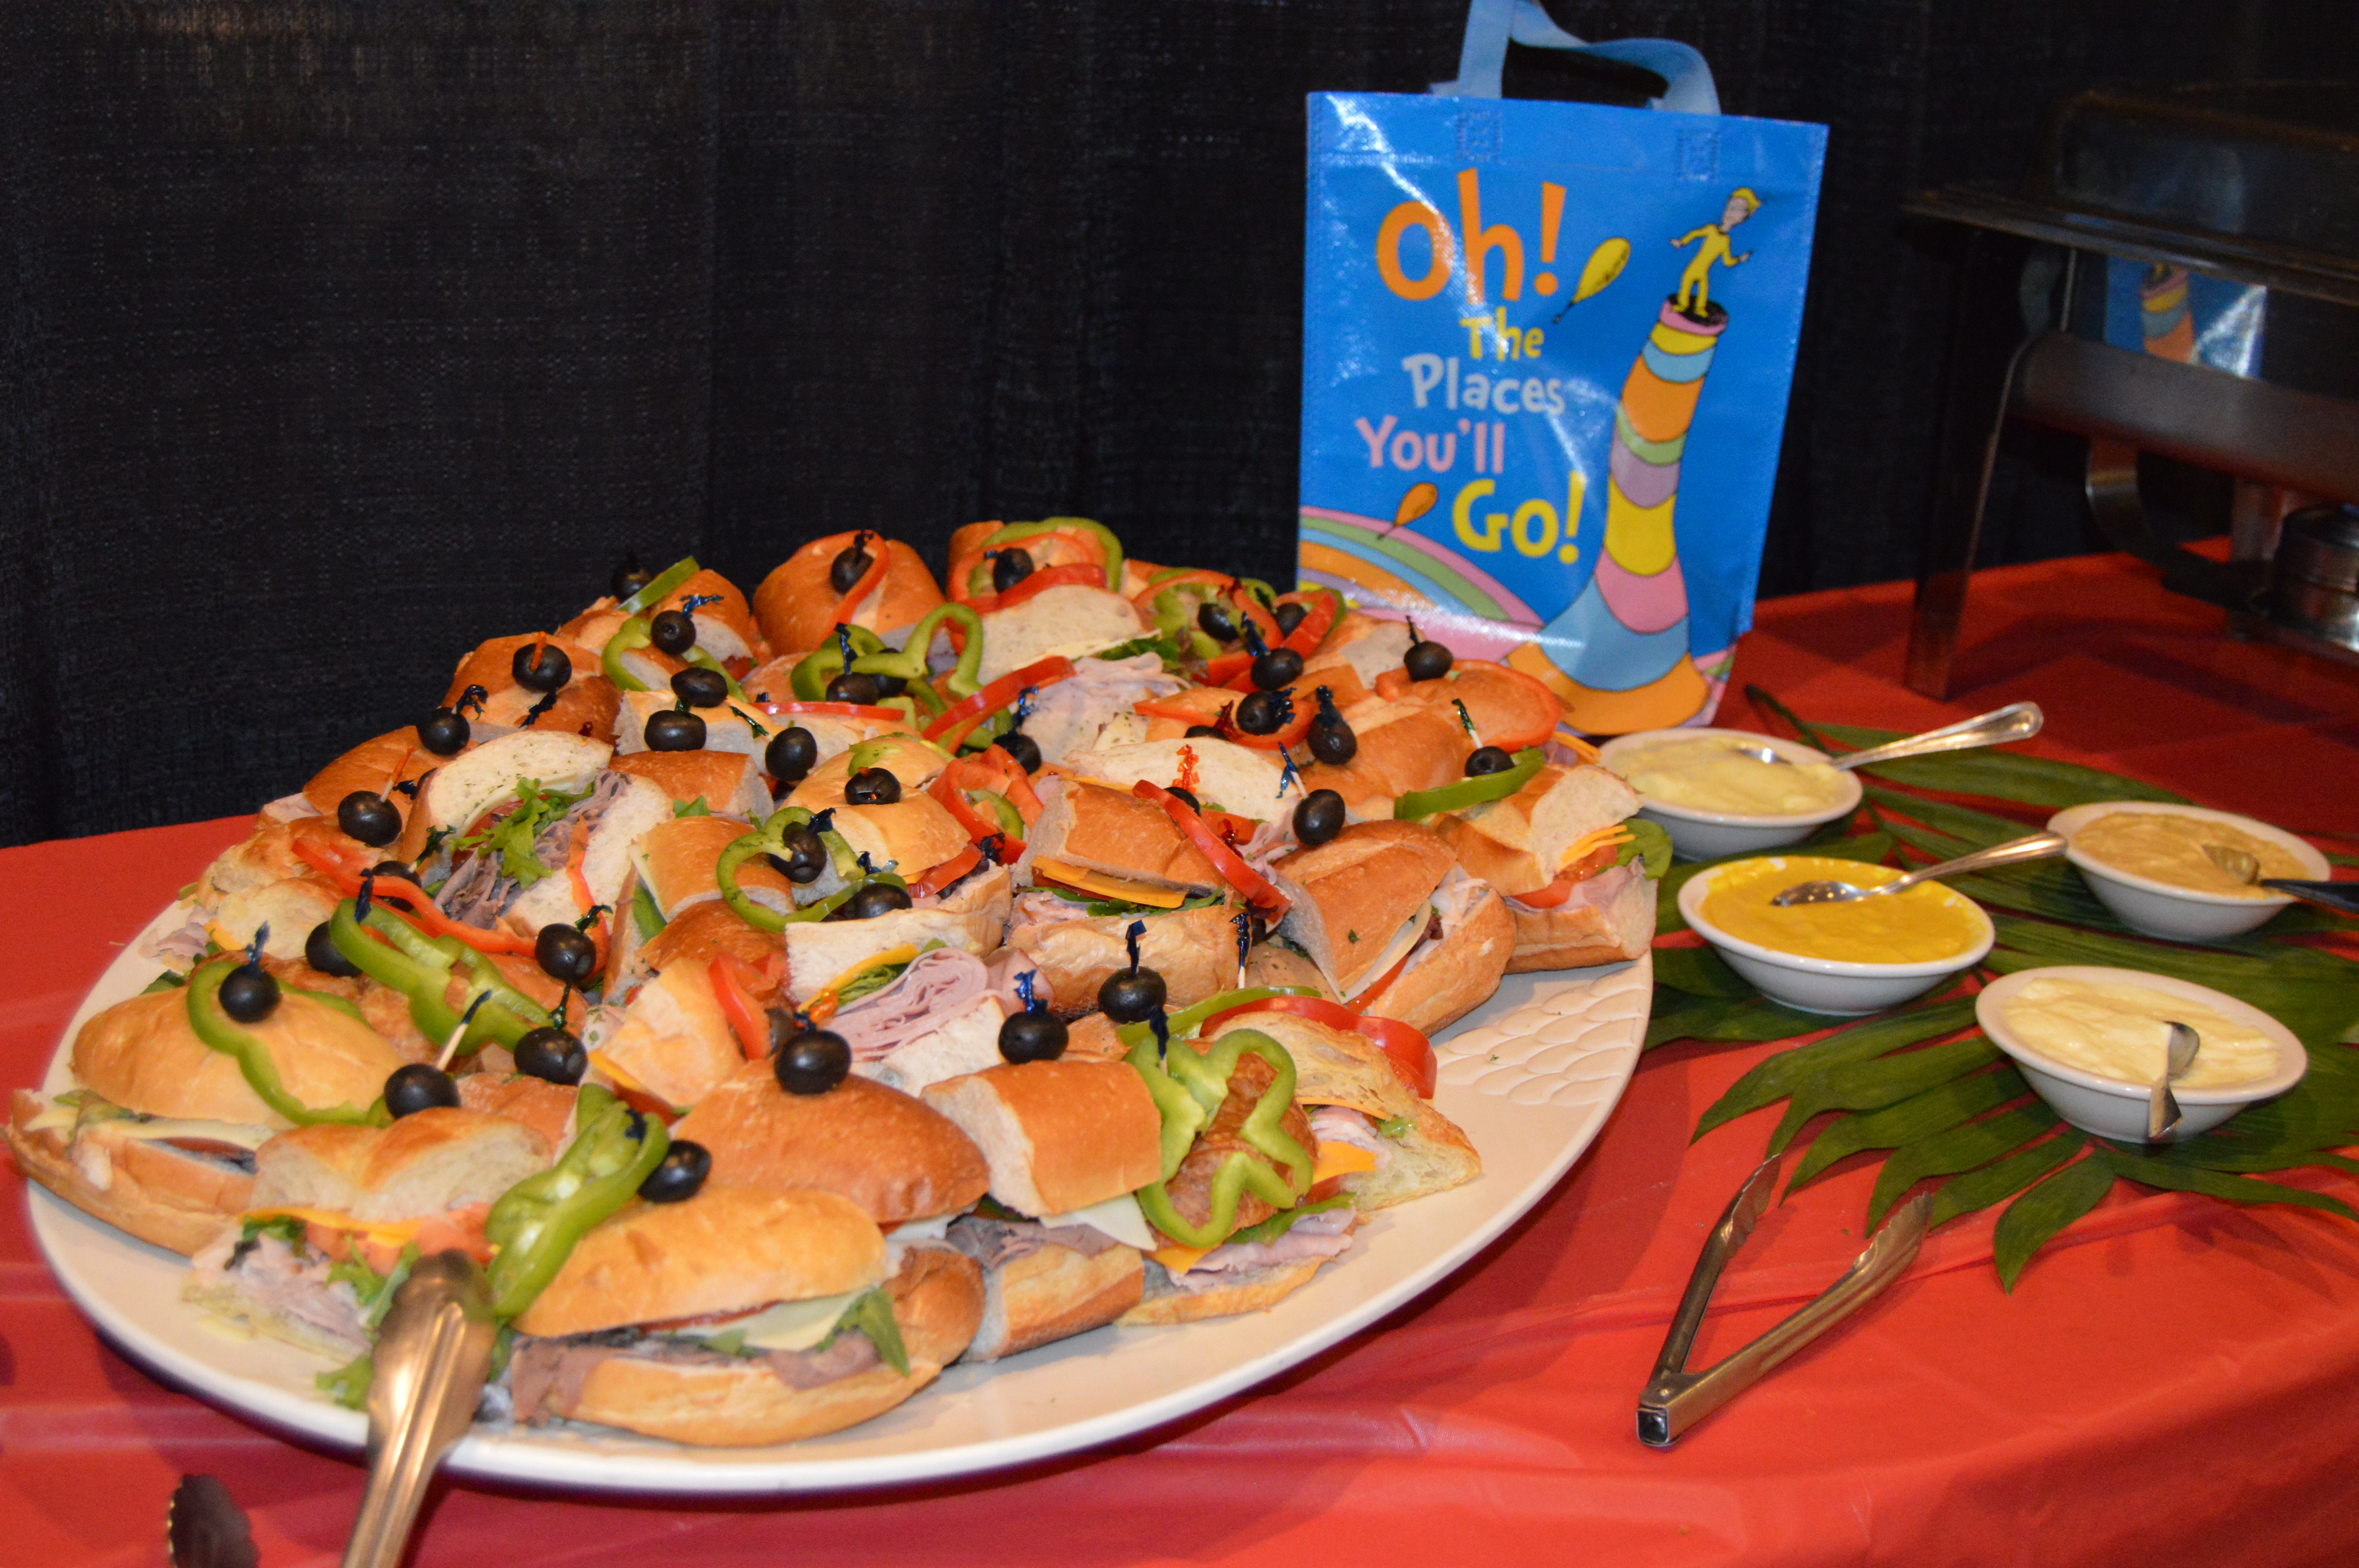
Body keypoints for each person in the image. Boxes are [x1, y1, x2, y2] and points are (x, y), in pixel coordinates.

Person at [1670, 188, 1757, 319]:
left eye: (1740, 210)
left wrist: (1740, 259)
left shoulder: (1726, 241)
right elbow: (1696, 234)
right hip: (1694, 267)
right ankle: (1683, 305)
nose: (1733, 212)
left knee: (1704, 289)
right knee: (1686, 282)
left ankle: (1700, 309)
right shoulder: (1711, 229)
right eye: (1731, 207)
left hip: (1703, 272)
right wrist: (1681, 242)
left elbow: (1727, 262)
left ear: (1743, 218)